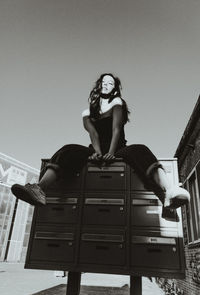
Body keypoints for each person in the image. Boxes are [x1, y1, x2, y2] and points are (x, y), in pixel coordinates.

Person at [11, 73, 190, 221]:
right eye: (104, 82)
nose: (106, 85)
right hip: (96, 148)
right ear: (99, 85)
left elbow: (117, 128)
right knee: (68, 149)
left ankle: (169, 191)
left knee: (140, 150)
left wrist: (111, 153)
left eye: (110, 83)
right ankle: (39, 189)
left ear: (114, 87)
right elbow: (93, 134)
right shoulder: (88, 111)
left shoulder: (117, 102)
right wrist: (97, 153)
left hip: (118, 148)